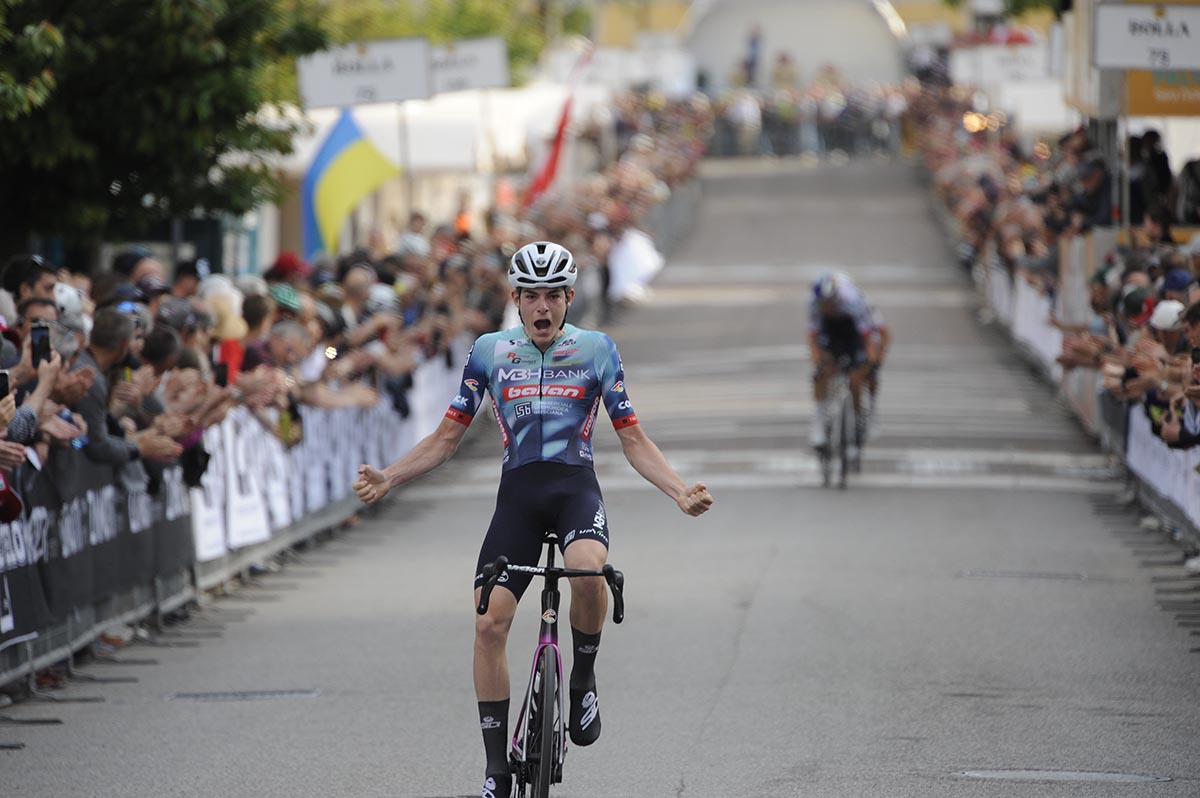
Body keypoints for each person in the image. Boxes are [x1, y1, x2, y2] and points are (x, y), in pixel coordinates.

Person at [353, 241, 713, 798]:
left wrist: (678, 490)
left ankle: (584, 678)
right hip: (518, 499)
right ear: (515, 300)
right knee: (488, 623)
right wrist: (390, 476)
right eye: (531, 297)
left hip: (574, 490)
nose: (542, 308)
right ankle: (497, 766)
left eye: (552, 296)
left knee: (590, 571)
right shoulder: (489, 352)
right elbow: (448, 437)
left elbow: (633, 440)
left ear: (569, 297)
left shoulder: (597, 350)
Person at [808, 272, 879, 459]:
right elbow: (813, 338)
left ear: (837, 297)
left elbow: (867, 337)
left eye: (831, 303)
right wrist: (818, 364)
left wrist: (870, 364)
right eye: (824, 304)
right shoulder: (815, 305)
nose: (828, 307)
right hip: (830, 331)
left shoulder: (853, 302)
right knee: (822, 373)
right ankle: (818, 426)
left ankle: (856, 426)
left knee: (856, 380)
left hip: (852, 333)